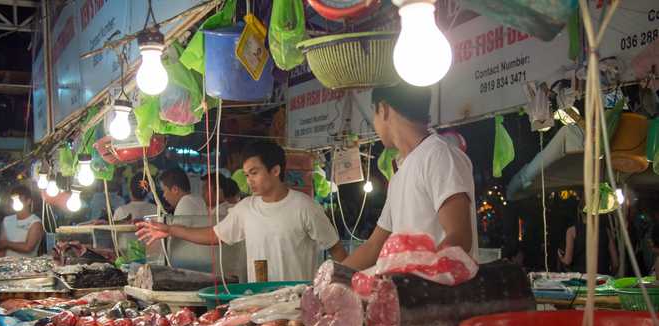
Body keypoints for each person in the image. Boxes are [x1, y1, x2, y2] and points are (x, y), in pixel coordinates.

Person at [137, 141, 347, 282]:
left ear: (275, 170)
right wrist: (170, 230)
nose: (249, 181)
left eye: (254, 173)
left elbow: (337, 251)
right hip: (258, 305)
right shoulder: (246, 209)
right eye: (246, 175)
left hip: (298, 306)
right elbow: (213, 235)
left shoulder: (305, 207)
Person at [341, 83, 477, 270]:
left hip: (439, 296)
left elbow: (460, 237)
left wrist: (417, 276)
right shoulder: (399, 176)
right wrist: (330, 278)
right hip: (409, 293)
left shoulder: (438, 155)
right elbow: (373, 247)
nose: (374, 123)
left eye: (374, 113)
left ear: (383, 109)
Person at [558, 203, 619, 275]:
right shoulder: (606, 231)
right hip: (601, 278)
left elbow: (567, 261)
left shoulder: (572, 231)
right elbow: (615, 263)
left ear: (580, 212)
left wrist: (560, 257)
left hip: (580, 279)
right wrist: (609, 275)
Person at [0, 185, 44, 257]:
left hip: (27, 266)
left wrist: (7, 244)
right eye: (13, 200)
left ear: (28, 201)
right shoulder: (7, 220)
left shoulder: (35, 222)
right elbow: (1, 246)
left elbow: (28, 247)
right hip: (7, 266)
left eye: (20, 200)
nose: (15, 203)